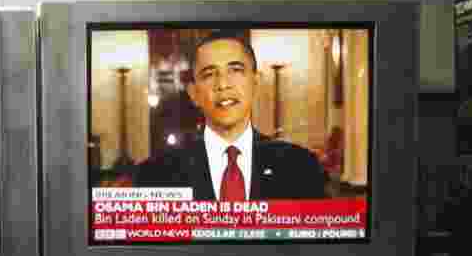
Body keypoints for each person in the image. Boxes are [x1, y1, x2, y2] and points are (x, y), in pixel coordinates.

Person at [136, 32, 328, 201]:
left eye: (235, 70)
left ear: (255, 82)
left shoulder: (301, 166)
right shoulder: (155, 174)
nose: (223, 84)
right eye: (209, 74)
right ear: (194, 93)